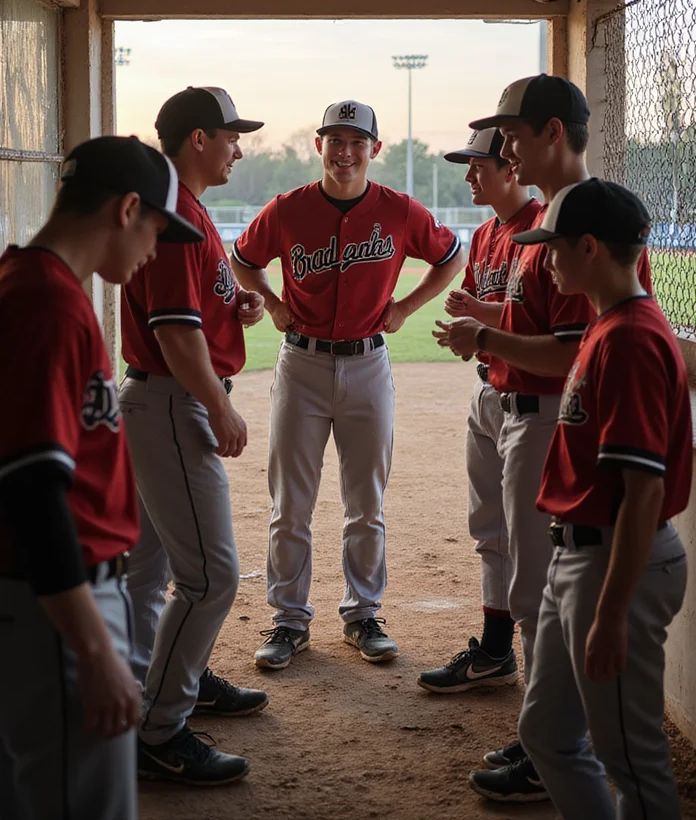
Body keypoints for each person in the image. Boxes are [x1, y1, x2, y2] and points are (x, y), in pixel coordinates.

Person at [433, 75, 651, 803]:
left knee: (541, 596)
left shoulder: (585, 220)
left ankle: (554, 741)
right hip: (529, 413)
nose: (506, 150)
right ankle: (548, 733)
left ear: (553, 132)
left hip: (554, 418)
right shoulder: (550, 220)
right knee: (536, 592)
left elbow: (570, 350)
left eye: (516, 136)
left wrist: (485, 333)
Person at [0, 135, 204, 819]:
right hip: (59, 605)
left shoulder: (32, 285)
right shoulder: (46, 305)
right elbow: (31, 490)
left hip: (47, 601)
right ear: (126, 210)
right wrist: (93, 648)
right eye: (155, 229)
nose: (155, 249)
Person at [230, 99, 464, 669]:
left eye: (357, 141)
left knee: (367, 502)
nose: (345, 151)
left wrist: (406, 306)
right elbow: (243, 259)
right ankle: (288, 622)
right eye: (335, 140)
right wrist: (279, 305)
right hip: (302, 365)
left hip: (367, 365)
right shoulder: (287, 209)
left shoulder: (400, 210)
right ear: (319, 146)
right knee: (291, 502)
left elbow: (451, 256)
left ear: (375, 150)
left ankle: (363, 614)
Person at [513, 179, 690, 819]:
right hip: (581, 557)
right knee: (547, 735)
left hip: (617, 564)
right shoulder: (607, 324)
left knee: (633, 764)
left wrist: (612, 612)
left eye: (553, 247)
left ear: (589, 247)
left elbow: (644, 492)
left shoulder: (632, 338)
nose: (545, 259)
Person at [120, 86, 268, 786]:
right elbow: (173, 333)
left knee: (148, 572)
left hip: (161, 403)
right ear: (199, 139)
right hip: (176, 403)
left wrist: (230, 304)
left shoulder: (187, 206)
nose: (240, 146)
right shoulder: (177, 208)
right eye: (232, 135)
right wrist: (220, 406)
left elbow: (191, 310)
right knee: (211, 579)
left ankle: (163, 690)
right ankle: (160, 728)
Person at [417, 126, 541, 693]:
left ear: (510, 167)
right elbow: (477, 302)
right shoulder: (489, 231)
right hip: (487, 388)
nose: (469, 174)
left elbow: (543, 323)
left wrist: (481, 318)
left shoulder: (542, 228)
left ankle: (544, 694)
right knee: (488, 528)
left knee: (530, 542)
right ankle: (495, 651)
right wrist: (473, 317)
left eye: (477, 165)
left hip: (531, 400)